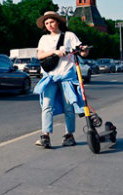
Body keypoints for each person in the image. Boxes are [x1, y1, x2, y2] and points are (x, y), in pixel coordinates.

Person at [33, 11, 89, 149]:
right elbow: (40, 55)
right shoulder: (44, 38)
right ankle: (45, 136)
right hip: (49, 78)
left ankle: (69, 135)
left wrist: (85, 50)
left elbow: (82, 52)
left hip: (66, 76)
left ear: (57, 22)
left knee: (68, 107)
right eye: (46, 23)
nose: (49, 25)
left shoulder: (69, 36)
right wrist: (54, 52)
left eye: (51, 22)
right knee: (47, 106)